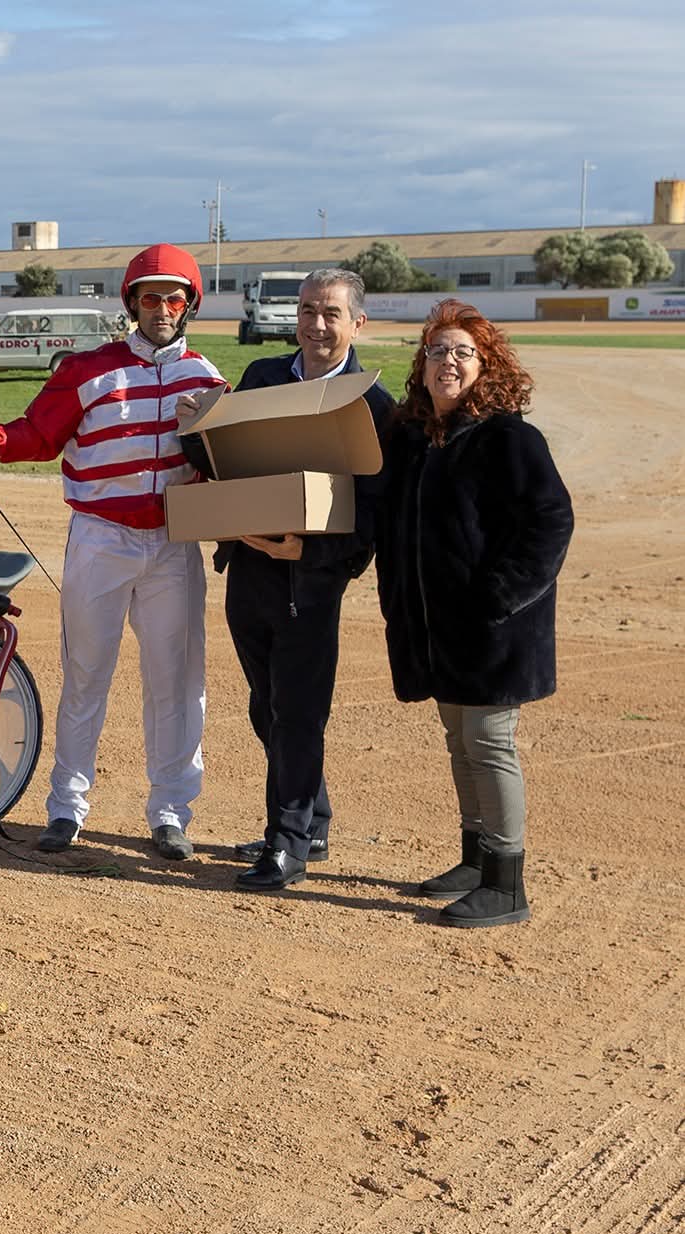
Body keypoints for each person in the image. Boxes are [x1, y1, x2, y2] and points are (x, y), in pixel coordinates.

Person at [0, 245, 226, 860]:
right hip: (101, 538)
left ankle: (171, 811)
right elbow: (38, 434)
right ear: (131, 304)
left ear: (190, 306)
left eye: (174, 300)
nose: (162, 309)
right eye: (150, 298)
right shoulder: (89, 370)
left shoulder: (209, 380)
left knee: (177, 680)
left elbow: (229, 462)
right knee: (87, 674)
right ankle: (66, 806)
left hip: (173, 547)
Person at [375, 300, 573, 928]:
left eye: (464, 352)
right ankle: (475, 859)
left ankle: (507, 884)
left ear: (487, 366)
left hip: (494, 629)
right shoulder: (413, 438)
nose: (449, 362)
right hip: (437, 630)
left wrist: (497, 597)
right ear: (421, 365)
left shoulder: (510, 437)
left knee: (489, 743)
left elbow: (550, 521)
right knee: (460, 741)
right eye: (437, 351)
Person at [193, 269, 393, 891]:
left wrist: (307, 552)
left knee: (299, 713)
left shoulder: (374, 405)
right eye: (308, 311)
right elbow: (225, 461)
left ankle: (287, 844)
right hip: (249, 571)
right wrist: (196, 427)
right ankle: (313, 823)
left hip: (311, 582)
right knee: (266, 707)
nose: (317, 324)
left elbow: (375, 514)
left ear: (357, 323)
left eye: (331, 313)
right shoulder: (262, 377)